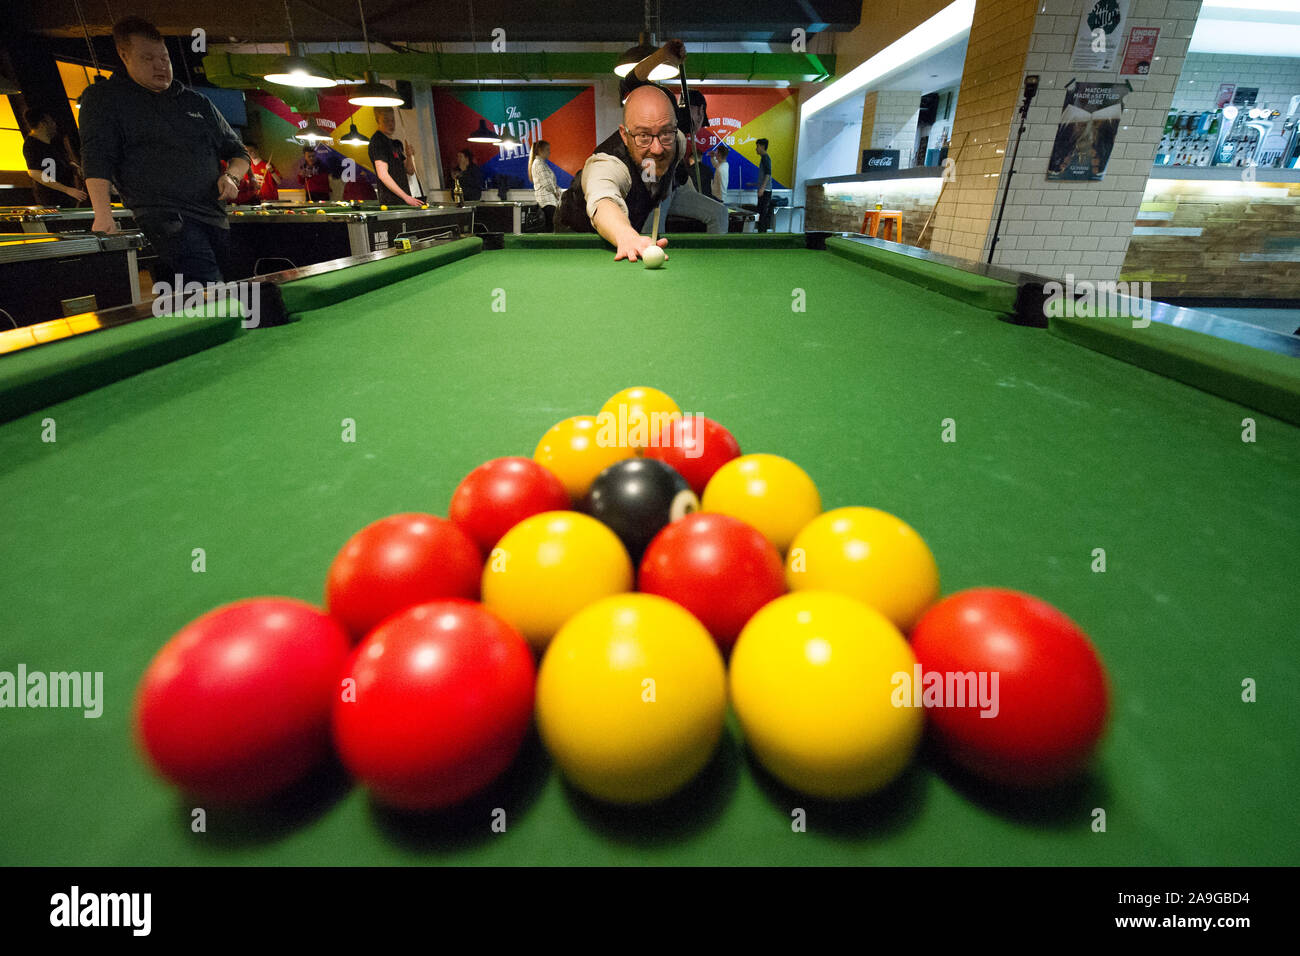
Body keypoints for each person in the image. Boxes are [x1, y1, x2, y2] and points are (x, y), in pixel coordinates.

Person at [80, 16, 249, 283]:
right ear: (124, 56)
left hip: (214, 215)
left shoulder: (196, 101)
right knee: (211, 286)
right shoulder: (105, 98)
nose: (160, 65)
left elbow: (238, 152)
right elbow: (97, 156)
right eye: (148, 58)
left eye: (165, 58)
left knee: (232, 285)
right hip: (164, 216)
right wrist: (103, 215)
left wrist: (232, 176)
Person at [554, 84, 684, 262]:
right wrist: (626, 235)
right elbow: (603, 200)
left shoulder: (677, 142)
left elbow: (661, 169)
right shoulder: (607, 163)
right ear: (624, 134)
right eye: (643, 136)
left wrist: (663, 189)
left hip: (629, 227)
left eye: (666, 133)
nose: (657, 149)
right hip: (576, 231)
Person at [616, 40, 727, 234]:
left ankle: (713, 260)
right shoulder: (659, 97)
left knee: (719, 213)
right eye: (699, 113)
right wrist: (663, 55)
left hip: (677, 184)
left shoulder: (677, 115)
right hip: (656, 181)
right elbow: (630, 80)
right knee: (653, 226)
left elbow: (681, 167)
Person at [22, 108, 87, 207]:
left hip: (68, 196)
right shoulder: (31, 145)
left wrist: (74, 167)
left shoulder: (55, 141)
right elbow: (35, 173)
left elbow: (63, 161)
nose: (54, 125)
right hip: (51, 199)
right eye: (51, 122)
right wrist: (67, 189)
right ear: (42, 124)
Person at [368, 106, 420, 206]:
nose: (391, 124)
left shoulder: (396, 144)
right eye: (386, 121)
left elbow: (410, 171)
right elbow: (383, 174)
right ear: (377, 121)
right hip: (391, 202)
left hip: (405, 200)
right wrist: (406, 197)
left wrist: (409, 156)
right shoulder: (378, 141)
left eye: (392, 120)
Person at [529, 139, 561, 232]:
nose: (549, 152)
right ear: (540, 150)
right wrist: (557, 193)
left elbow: (551, 184)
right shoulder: (539, 164)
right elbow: (548, 184)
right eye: (547, 149)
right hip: (547, 202)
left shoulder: (540, 163)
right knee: (550, 228)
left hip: (548, 201)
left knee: (550, 227)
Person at [755, 138, 774, 233]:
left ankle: (762, 233)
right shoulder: (763, 158)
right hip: (764, 189)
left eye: (757, 146)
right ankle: (761, 232)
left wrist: (762, 188)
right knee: (761, 213)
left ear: (762, 147)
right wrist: (757, 184)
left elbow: (768, 174)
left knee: (763, 214)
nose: (756, 149)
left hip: (765, 191)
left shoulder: (766, 157)